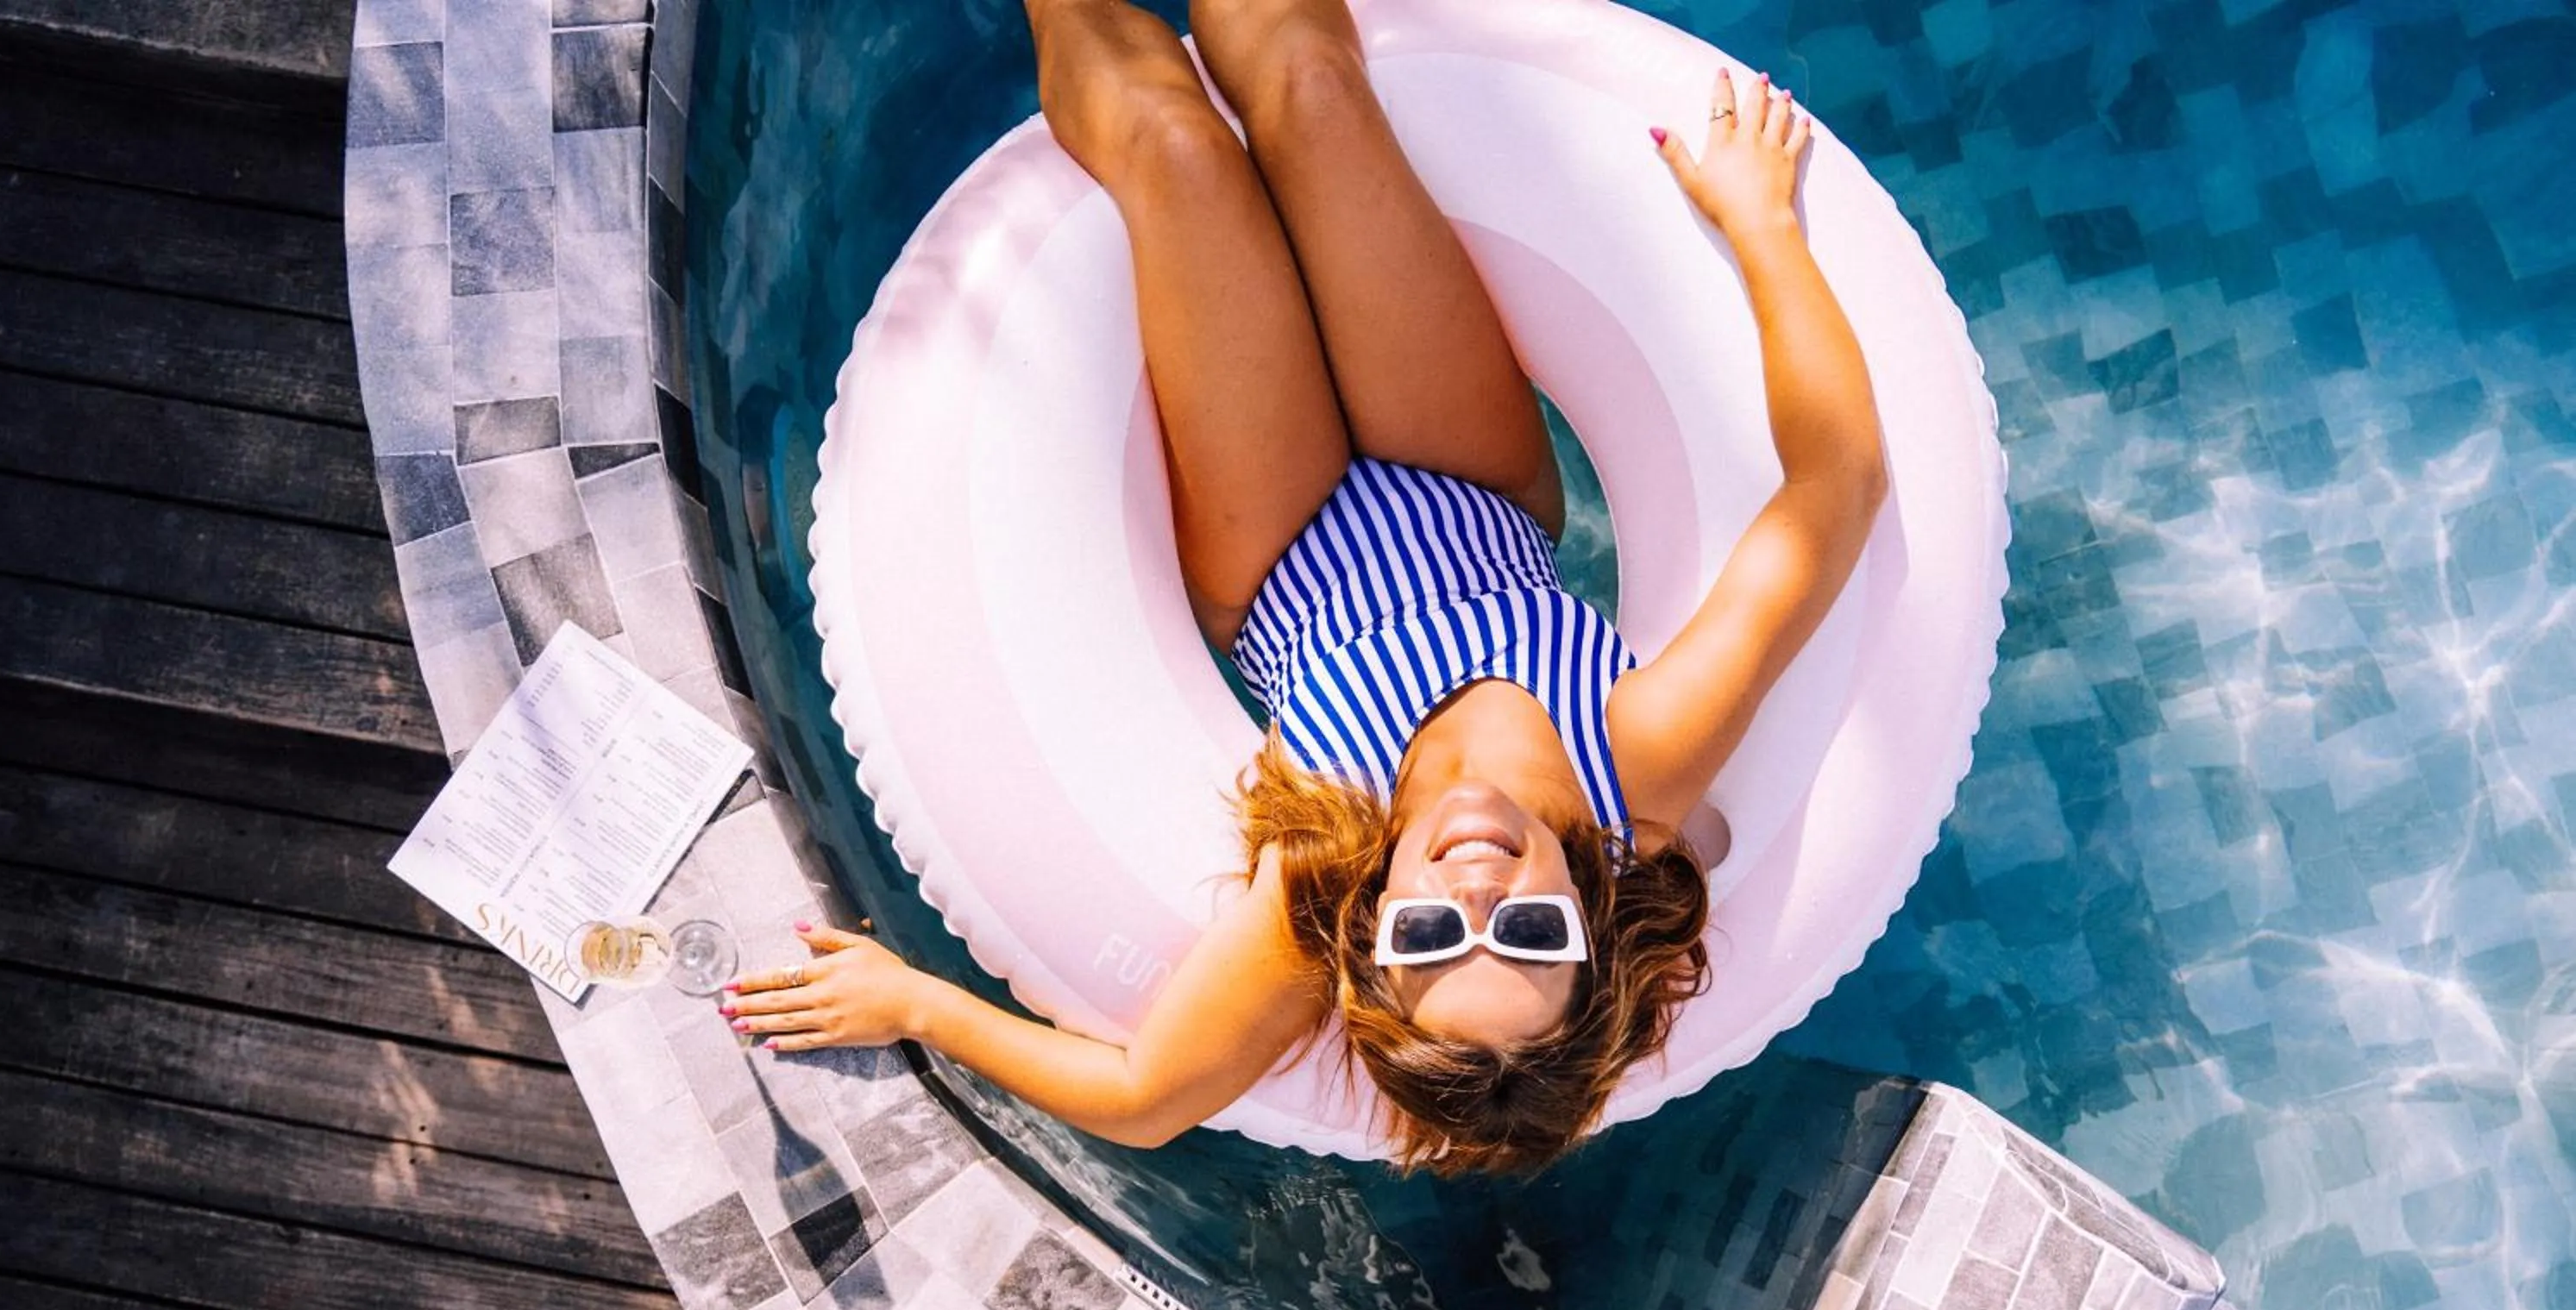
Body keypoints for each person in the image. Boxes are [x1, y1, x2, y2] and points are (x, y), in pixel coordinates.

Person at [726, 0, 1887, 1176]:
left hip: (1278, 552)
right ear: (1588, 918)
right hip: (1471, 484)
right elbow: (1835, 490)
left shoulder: (1322, 873)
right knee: (1316, 94)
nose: (1476, 884)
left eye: (1434, 937)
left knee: (1175, 147)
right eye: (1529, 934)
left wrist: (918, 1006)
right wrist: (1762, 230)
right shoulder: (1633, 759)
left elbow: (1145, 1095)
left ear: (1375, 943)